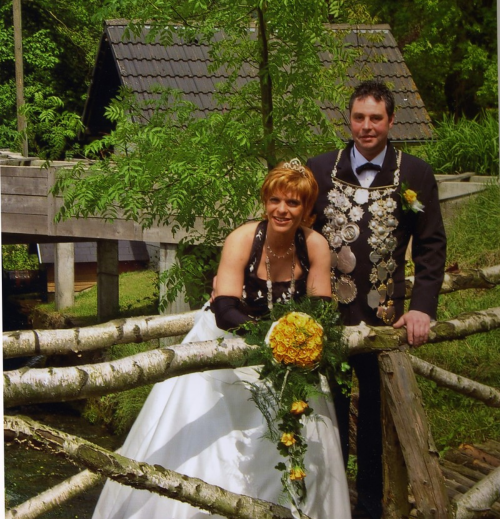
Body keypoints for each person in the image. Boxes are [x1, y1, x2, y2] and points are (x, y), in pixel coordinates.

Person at [92, 160, 352, 519]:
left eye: (293, 203)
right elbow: (225, 309)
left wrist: (298, 339)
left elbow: (320, 308)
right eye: (275, 200)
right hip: (229, 340)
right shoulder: (242, 239)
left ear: (306, 208)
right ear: (265, 202)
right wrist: (272, 338)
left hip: (289, 354)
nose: (282, 210)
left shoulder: (315, 245)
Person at [306, 80, 447, 519]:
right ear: (348, 119)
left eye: (375, 118)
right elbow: (294, 232)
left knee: (375, 417)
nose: (366, 126)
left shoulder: (415, 174)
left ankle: (370, 506)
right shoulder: (319, 168)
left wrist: (422, 307)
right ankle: (324, 503)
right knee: (323, 412)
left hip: (383, 319)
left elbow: (431, 246)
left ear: (391, 121)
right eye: (359, 117)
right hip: (324, 316)